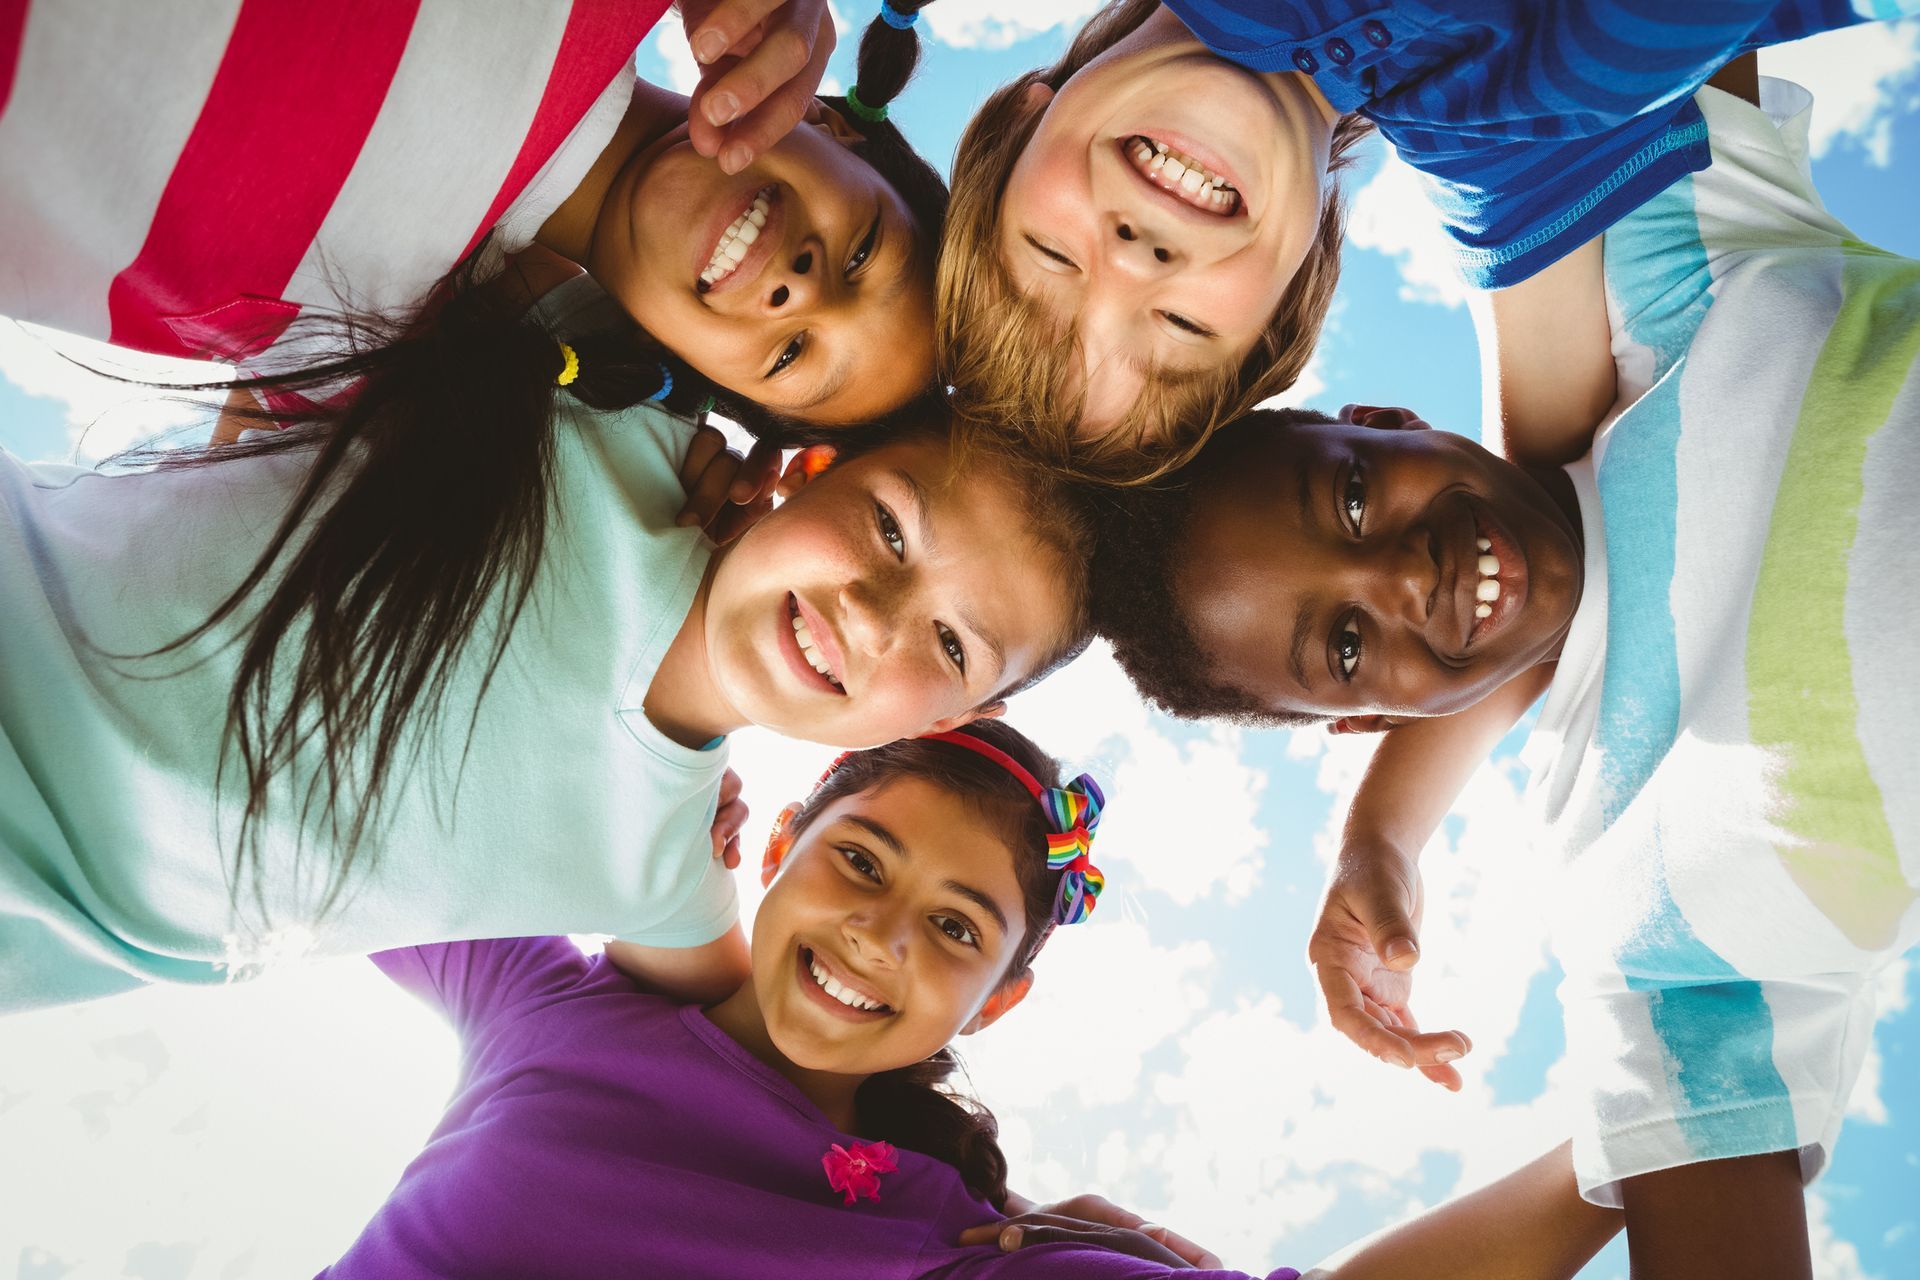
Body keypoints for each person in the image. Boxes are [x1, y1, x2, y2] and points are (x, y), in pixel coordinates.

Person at [1090, 72, 1919, 1277]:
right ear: (1366, 714)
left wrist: (1379, 838)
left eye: (1356, 495)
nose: (1404, 576)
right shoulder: (1634, 918)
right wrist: (1378, 841)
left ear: (1388, 417)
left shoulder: (1669, 290)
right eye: (1343, 644)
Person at [0, 292, 1098, 1013]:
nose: (873, 611)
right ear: (806, 471)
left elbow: (779, 1040)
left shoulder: (669, 874)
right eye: (891, 528)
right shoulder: (607, 411)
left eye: (951, 643)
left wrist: (1033, 1228)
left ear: (937, 722)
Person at [318, 722, 1623, 1278]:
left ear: (995, 1005)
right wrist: (624, 835)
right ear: (776, 850)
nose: (880, 934)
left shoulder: (942, 1242)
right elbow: (333, 803)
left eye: (954, 927)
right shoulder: (544, 996)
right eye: (859, 861)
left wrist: (1631, 1137)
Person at [936, 0, 1911, 482]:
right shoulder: (1495, 125)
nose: (1135, 265)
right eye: (1182, 326)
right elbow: (1544, 484)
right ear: (1294, 293)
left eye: (1053, 260)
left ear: (1023, 119)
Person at [0, 0, 943, 428]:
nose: (800, 289)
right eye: (864, 250)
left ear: (697, 373)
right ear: (831, 124)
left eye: (792, 357)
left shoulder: (372, 353)